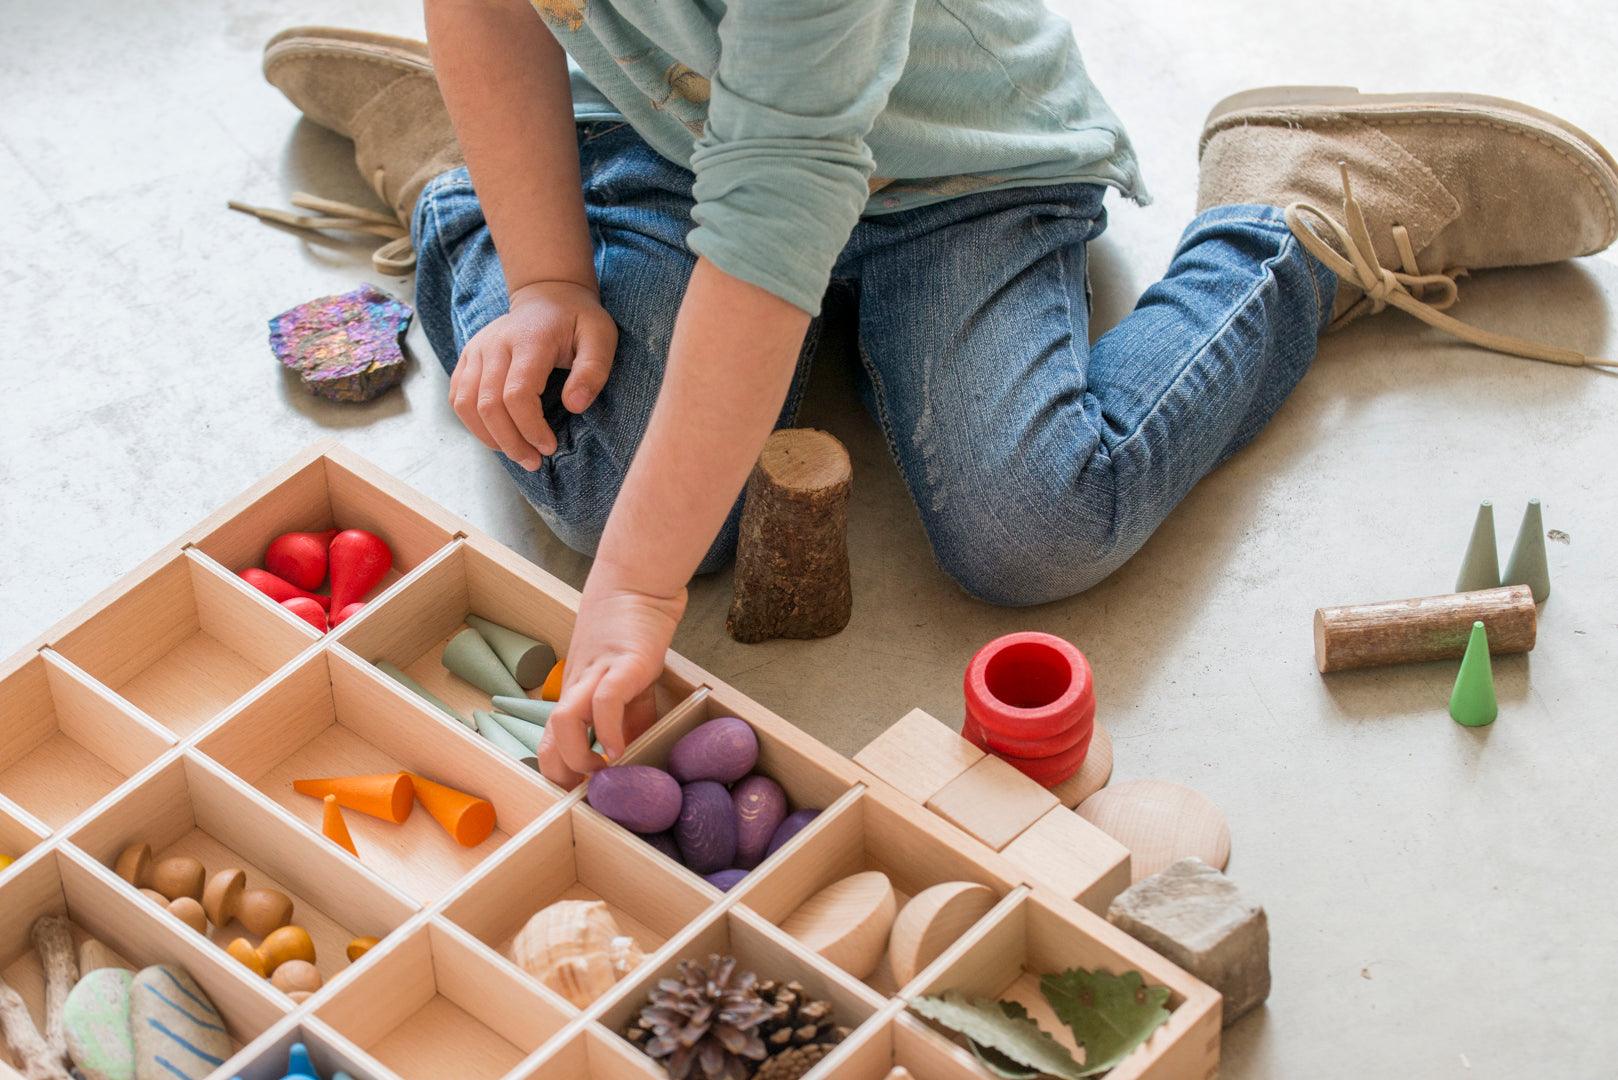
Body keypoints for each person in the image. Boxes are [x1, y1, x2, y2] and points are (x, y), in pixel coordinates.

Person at [253, 5, 1617, 788]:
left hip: (955, 166)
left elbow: (776, 219)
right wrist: (545, 268)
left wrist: (637, 592)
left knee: (1037, 527)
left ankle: (1293, 212)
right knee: (602, 481)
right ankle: (467, 169)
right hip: (663, 141)